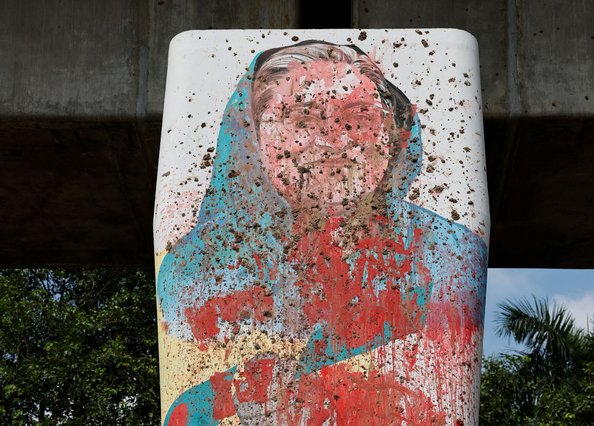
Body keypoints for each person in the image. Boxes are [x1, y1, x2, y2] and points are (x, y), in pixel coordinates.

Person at [158, 41, 488, 425]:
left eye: (361, 115)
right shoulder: (195, 271)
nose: (335, 137)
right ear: (254, 136)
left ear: (392, 134)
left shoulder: (448, 253)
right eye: (302, 119)